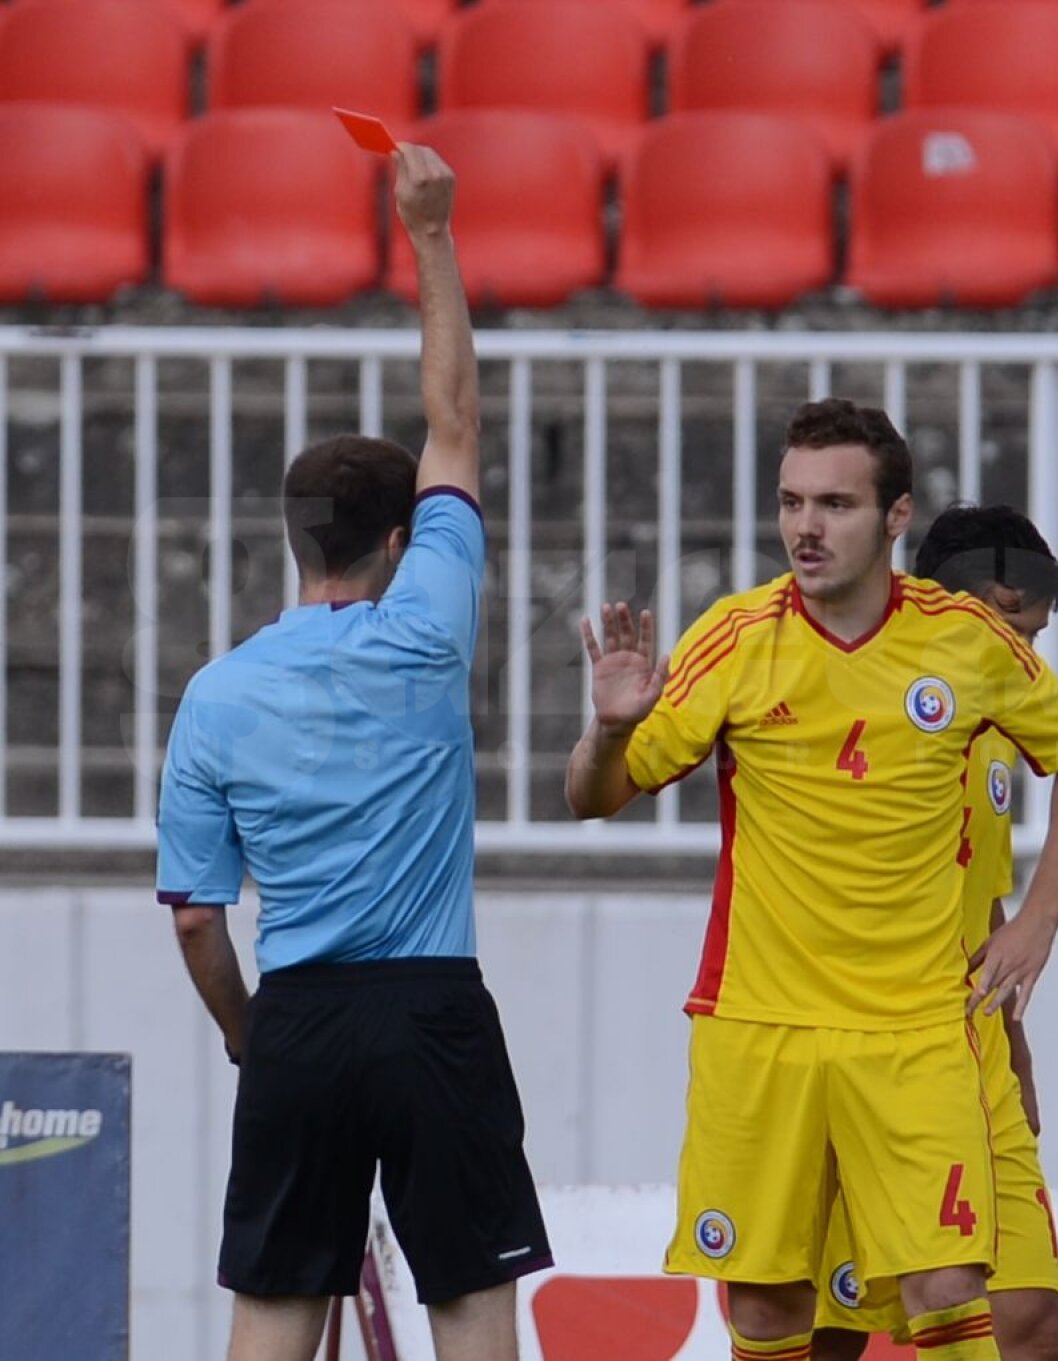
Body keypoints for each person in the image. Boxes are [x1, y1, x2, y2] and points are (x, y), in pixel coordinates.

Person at [565, 399, 1058, 1361]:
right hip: (762, 1024)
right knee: (774, 1312)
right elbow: (593, 798)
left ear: (895, 516)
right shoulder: (735, 638)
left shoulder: (964, 640)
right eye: (790, 503)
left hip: (916, 1030)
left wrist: (1038, 921)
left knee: (954, 1291)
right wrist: (609, 728)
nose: (805, 528)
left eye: (834, 504)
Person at [156, 145, 551, 1361]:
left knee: (274, 1310)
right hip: (430, 1002)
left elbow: (194, 919)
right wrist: (428, 233)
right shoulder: (427, 625)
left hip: (304, 1017)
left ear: (294, 538)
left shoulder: (215, 694)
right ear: (397, 538)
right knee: (470, 1306)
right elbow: (456, 418)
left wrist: (247, 1030)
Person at [812, 504, 1058, 1361]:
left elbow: (980, 899)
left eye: (1033, 639)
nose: (1022, 658)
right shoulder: (845, 700)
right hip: (848, 1048)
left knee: (1033, 1328)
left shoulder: (1001, 730)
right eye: (1012, 630)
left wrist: (1014, 1042)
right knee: (826, 1334)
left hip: (968, 1059)